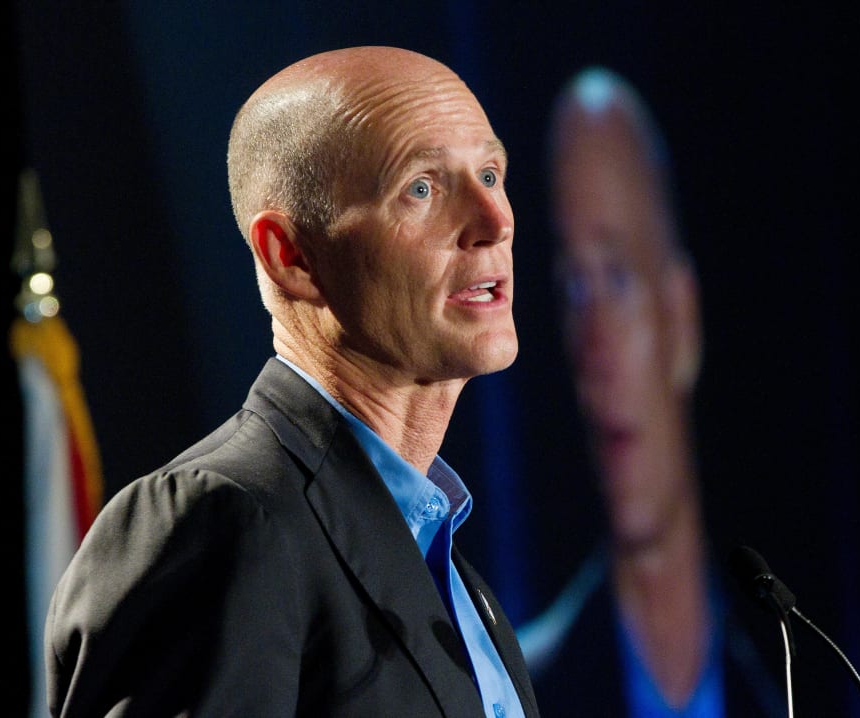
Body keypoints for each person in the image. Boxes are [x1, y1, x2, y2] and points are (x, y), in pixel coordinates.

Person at [44, 45, 539, 718]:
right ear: (292, 256)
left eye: (490, 172)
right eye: (421, 188)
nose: (495, 221)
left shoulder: (448, 570)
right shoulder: (223, 521)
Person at [514, 66, 785, 717]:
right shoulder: (513, 698)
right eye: (574, 289)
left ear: (681, 319)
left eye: (617, 278)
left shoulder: (800, 684)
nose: (595, 343)